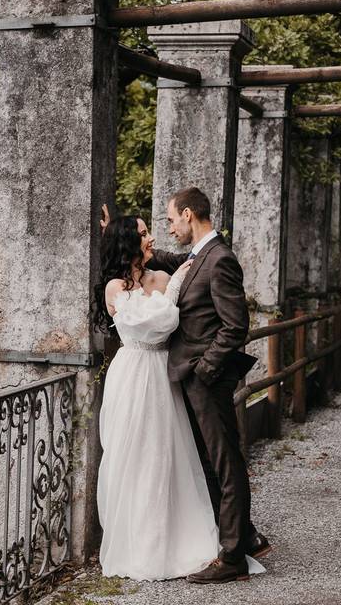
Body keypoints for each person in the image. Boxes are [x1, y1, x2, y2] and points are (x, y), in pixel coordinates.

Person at [93, 213, 264, 582]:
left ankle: (189, 538)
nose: (152, 237)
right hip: (133, 373)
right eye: (143, 234)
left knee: (169, 455)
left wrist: (171, 286)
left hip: (163, 374)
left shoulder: (164, 274)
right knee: (133, 455)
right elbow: (146, 322)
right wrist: (170, 293)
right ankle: (140, 543)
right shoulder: (114, 287)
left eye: (153, 229)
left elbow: (174, 322)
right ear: (129, 241)